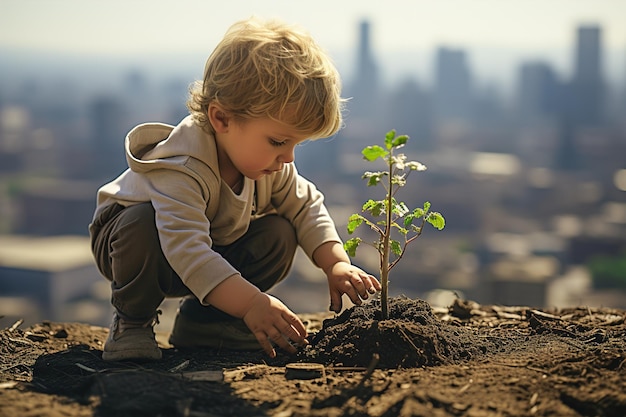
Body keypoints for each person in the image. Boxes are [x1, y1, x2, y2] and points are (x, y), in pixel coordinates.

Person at [89, 17, 381, 362]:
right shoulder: (181, 166)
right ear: (222, 119)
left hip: (205, 251)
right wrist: (252, 303)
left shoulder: (266, 164)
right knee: (141, 223)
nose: (287, 157)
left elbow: (306, 207)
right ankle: (132, 323)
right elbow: (187, 250)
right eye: (277, 141)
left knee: (280, 232)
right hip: (136, 250)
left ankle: (208, 324)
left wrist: (335, 264)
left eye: (295, 146)